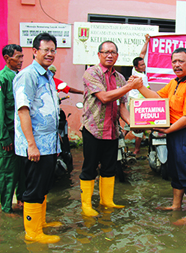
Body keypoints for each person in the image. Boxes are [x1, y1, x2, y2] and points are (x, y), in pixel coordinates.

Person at [131, 47, 186, 225]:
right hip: (174, 133)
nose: (177, 65)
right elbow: (157, 97)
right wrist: (140, 86)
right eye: (174, 61)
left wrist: (167, 130)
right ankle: (176, 206)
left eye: (181, 61)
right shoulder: (175, 83)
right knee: (175, 170)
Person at [80, 40, 142, 217]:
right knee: (89, 168)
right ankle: (86, 206)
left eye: (113, 52)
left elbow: (122, 107)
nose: (109, 55)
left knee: (109, 167)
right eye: (106, 52)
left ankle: (106, 201)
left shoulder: (120, 79)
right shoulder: (91, 73)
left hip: (112, 130)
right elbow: (105, 97)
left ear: (117, 56)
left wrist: (134, 123)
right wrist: (129, 87)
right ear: (99, 54)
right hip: (93, 128)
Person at [13, 33, 62, 244]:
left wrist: (57, 142)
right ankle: (32, 233)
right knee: (34, 188)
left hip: (49, 144)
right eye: (46, 50)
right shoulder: (28, 75)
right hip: (36, 146)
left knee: (44, 185)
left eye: (53, 50)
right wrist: (31, 145)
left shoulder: (48, 75)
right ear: (35, 51)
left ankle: (40, 223)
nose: (50, 54)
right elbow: (23, 111)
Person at [0, 44, 25, 214]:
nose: (21, 60)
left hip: (20, 135)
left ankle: (21, 202)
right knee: (7, 173)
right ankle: (6, 208)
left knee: (21, 172)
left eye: (22, 56)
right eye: (17, 57)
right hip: (8, 136)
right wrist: (3, 137)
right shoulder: (0, 80)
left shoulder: (19, 77)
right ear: (7, 58)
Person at [127, 34, 151, 155]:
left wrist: (146, 42)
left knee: (132, 125)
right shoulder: (140, 76)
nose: (144, 66)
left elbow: (142, 54)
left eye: (144, 64)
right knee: (139, 126)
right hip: (136, 102)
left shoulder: (136, 70)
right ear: (136, 67)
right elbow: (146, 91)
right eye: (141, 65)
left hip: (135, 100)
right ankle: (136, 150)